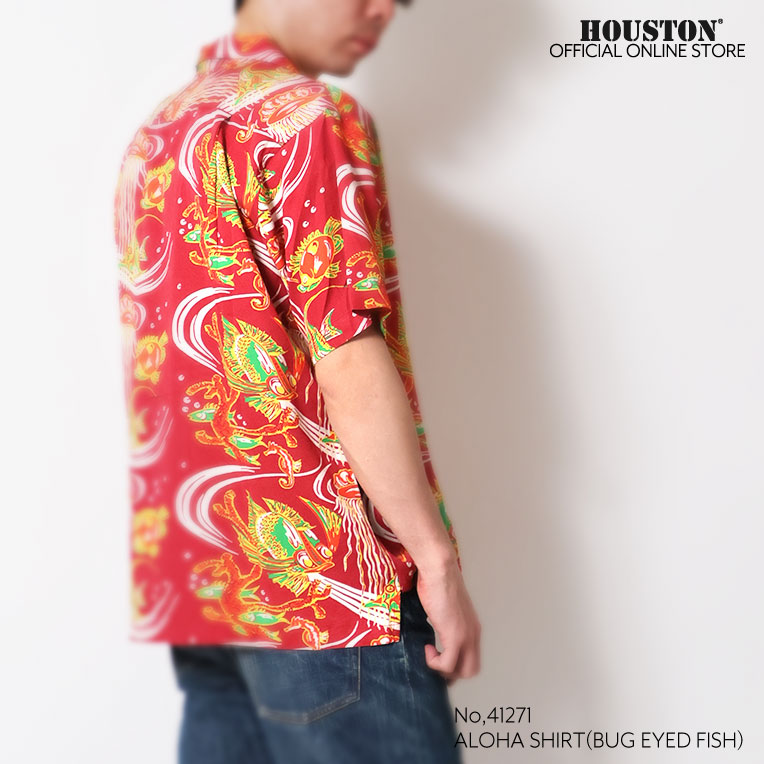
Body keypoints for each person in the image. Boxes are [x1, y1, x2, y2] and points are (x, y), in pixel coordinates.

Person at [113, 0, 481, 761]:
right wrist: (437, 562)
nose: (385, 11)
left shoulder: (162, 128)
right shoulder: (305, 115)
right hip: (327, 586)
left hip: (207, 581)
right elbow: (344, 353)